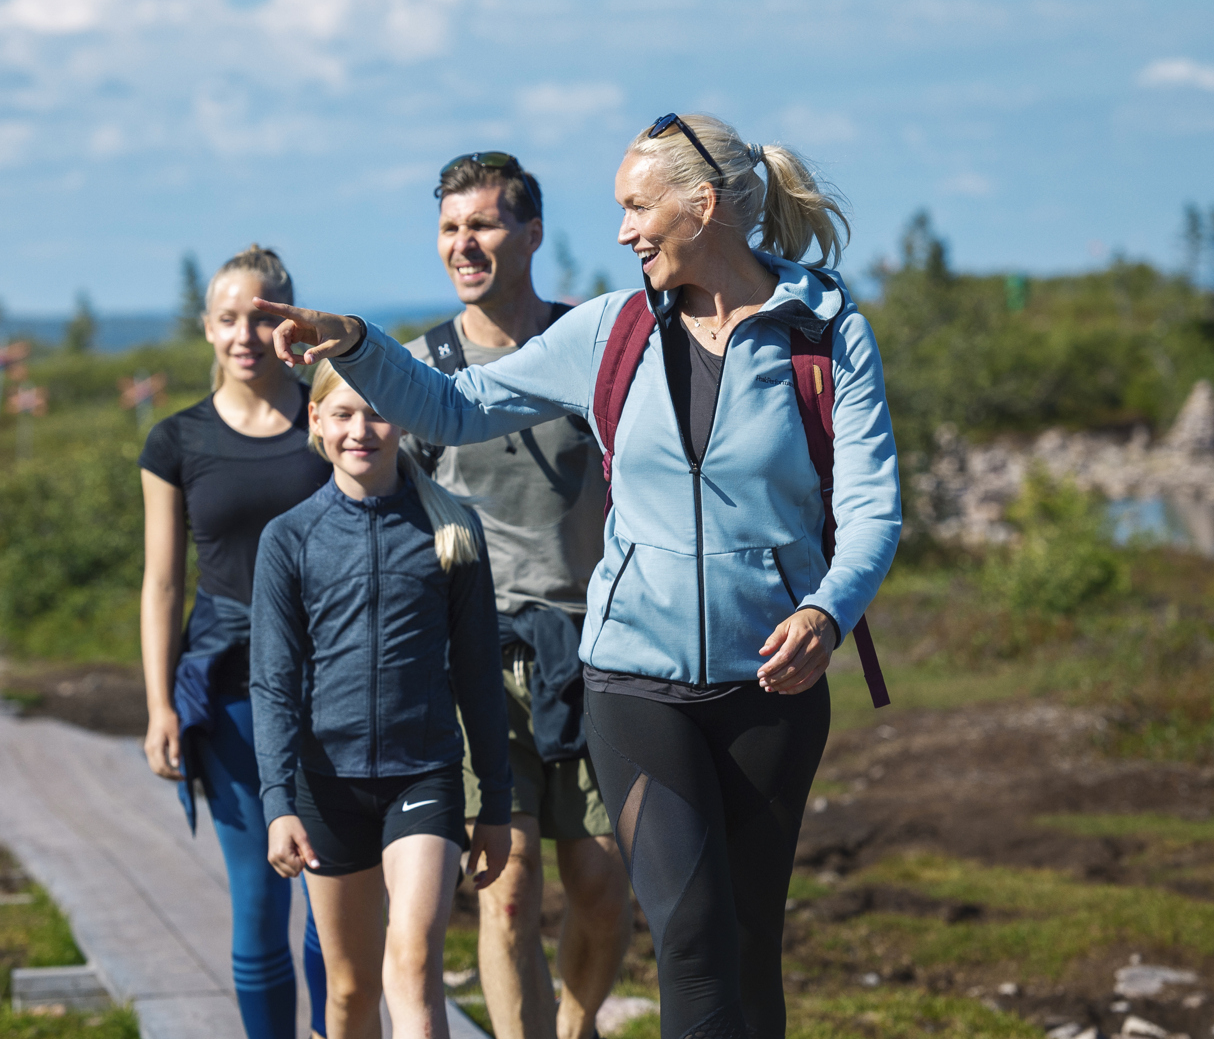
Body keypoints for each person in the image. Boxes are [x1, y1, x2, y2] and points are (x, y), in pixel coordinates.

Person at [261, 113, 901, 1039]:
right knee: (687, 937)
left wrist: (825, 614)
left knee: (751, 939)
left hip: (773, 681)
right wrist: (355, 342)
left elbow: (874, 509)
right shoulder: (612, 330)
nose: (623, 230)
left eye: (638, 207)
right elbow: (453, 403)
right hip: (634, 681)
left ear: (703, 206)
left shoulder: (826, 332)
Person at [408, 151, 632, 1039]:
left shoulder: (593, 354)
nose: (466, 244)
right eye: (451, 229)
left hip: (592, 651)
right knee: (504, 900)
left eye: (485, 224)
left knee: (604, 890)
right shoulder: (424, 368)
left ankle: (573, 1029)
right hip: (473, 658)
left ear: (532, 233)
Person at [253, 364, 515, 1039]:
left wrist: (495, 800)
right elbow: (273, 682)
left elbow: (480, 674)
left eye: (375, 414)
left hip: (423, 775)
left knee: (415, 961)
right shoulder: (288, 539)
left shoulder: (452, 532)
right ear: (316, 422)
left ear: (401, 419)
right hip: (326, 786)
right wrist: (278, 802)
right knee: (348, 992)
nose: (360, 430)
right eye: (341, 415)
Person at [138, 245, 330, 1039]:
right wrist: (158, 706)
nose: (245, 334)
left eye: (261, 316)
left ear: (288, 319)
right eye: (228, 318)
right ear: (207, 329)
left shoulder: (331, 413)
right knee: (258, 898)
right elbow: (161, 583)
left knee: (333, 897)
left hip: (333, 682)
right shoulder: (175, 441)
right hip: (227, 687)